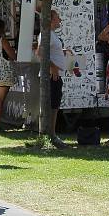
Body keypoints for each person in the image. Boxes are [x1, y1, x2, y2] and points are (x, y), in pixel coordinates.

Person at [37, 9, 68, 148]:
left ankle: (51, 134)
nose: (60, 20)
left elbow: (50, 51)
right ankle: (50, 135)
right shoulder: (45, 34)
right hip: (50, 75)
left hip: (55, 75)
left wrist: (63, 52)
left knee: (55, 105)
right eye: (57, 18)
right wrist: (53, 67)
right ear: (50, 20)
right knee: (51, 106)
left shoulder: (52, 35)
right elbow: (40, 52)